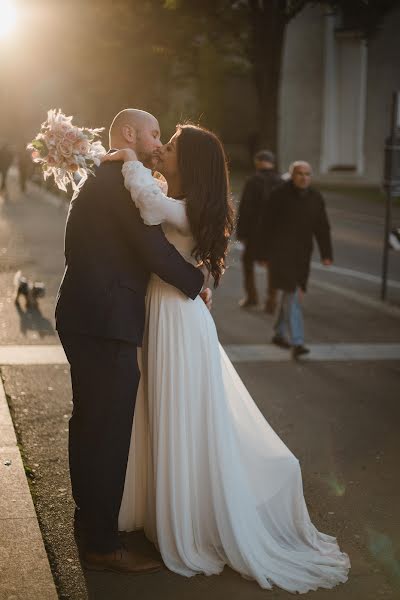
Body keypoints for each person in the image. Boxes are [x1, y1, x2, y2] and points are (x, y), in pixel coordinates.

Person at [102, 132, 350, 593]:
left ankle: (185, 519)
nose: (164, 150)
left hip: (178, 316)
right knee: (159, 411)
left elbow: (150, 208)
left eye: (170, 146)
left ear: (191, 162)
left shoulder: (189, 203)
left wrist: (131, 158)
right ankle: (161, 509)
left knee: (178, 415)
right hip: (167, 309)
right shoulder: (180, 194)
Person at [55, 109, 206, 574]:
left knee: (91, 425)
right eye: (154, 133)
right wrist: (196, 281)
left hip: (88, 313)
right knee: (107, 431)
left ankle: (91, 526)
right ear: (128, 134)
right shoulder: (120, 176)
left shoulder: (110, 175)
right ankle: (102, 542)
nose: (159, 142)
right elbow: (151, 249)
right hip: (104, 319)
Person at [266, 161, 333, 359]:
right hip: (280, 254)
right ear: (292, 175)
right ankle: (298, 342)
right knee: (292, 294)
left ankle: (279, 333)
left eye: (307, 174)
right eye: (300, 173)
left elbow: (322, 227)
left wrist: (326, 254)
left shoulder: (315, 197)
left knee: (290, 294)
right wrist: (262, 254)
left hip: (302, 255)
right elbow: (265, 224)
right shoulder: (278, 195)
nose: (304, 177)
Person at [237, 150, 281, 312]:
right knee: (273, 265)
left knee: (248, 263)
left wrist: (242, 233)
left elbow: (245, 208)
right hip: (275, 232)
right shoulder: (281, 181)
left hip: (255, 231)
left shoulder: (252, 181)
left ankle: (252, 297)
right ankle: (272, 300)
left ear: (257, 162)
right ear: (272, 163)